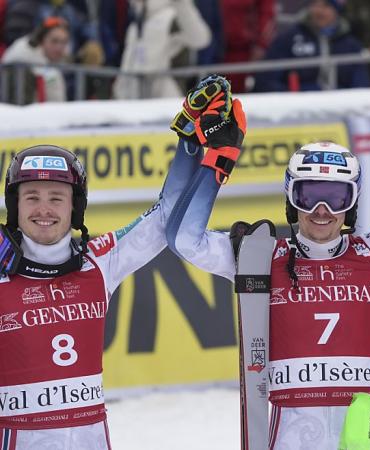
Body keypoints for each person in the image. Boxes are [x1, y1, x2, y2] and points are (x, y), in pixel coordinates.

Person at [166, 62, 370, 448]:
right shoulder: (259, 257)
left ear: (352, 204)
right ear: (290, 199)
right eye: (309, 195)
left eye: (336, 197)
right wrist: (219, 158)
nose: (322, 210)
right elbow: (184, 239)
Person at [0, 75, 231, 449]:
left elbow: (162, 219)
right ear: (15, 207)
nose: (44, 209)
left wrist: (191, 140)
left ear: (75, 208)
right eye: (32, 198)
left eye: (57, 198)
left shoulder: (99, 261)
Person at [254, 0, 370, 92]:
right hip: (297, 110)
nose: (318, 11)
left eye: (326, 5)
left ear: (336, 10)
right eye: (314, 4)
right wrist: (292, 95)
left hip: (341, 109)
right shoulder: (289, 38)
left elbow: (361, 83)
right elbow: (266, 79)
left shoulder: (351, 44)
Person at [113, 0, 212, 99]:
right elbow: (129, 62)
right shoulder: (136, 22)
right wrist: (119, 91)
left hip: (167, 99)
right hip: (136, 99)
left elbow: (201, 39)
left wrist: (182, 5)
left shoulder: (172, 16)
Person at [1, 16, 70, 103]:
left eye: (64, 42)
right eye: (54, 41)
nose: (59, 48)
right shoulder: (24, 54)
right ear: (41, 40)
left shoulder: (59, 61)